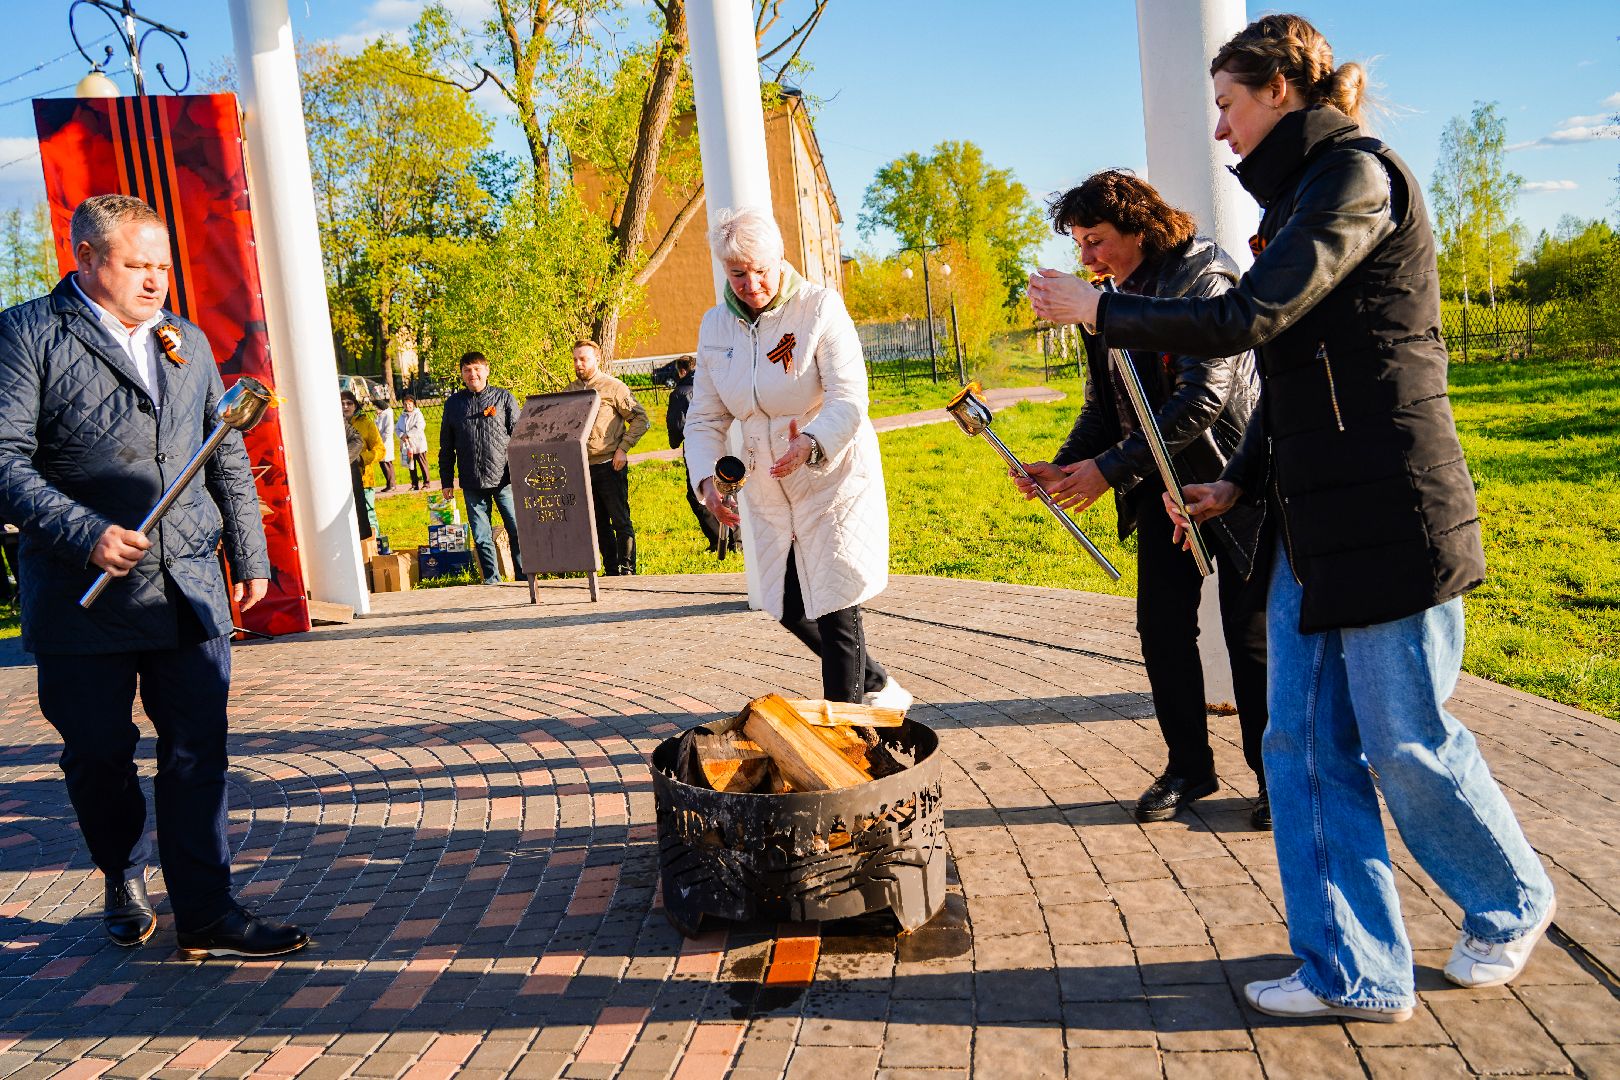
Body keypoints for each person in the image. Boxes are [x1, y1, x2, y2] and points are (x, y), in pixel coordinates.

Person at [1028, 13, 1554, 1023]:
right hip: (1309, 519)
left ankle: (1512, 897)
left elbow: (1245, 322)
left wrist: (1096, 310)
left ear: (1278, 89)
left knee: (1407, 743)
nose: (1219, 131)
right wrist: (1240, 483)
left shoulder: (1356, 178)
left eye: (1227, 104)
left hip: (1392, 511)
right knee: (1299, 749)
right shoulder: (1302, 198)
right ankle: (1356, 972)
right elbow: (1288, 377)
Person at [0, 193, 307, 958]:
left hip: (187, 583)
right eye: (136, 265)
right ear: (88, 260)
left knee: (198, 750)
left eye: (162, 265)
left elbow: (225, 446)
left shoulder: (186, 340)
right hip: (85, 596)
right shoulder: (27, 334)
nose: (155, 280)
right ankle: (121, 868)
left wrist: (250, 548)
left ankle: (206, 912)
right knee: (99, 753)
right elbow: (2, 459)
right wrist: (84, 532)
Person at [1018, 171, 1270, 829]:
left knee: (1251, 638)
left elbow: (1203, 399)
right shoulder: (1103, 297)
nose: (1087, 258)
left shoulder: (1202, 274)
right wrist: (1069, 465)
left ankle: (1279, 778)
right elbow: (1107, 404)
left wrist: (1106, 470)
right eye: (1078, 243)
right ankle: (1190, 767)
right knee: (1161, 628)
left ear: (1138, 226)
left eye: (1096, 240)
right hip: (1159, 484)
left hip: (1230, 477)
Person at [684, 206, 909, 709]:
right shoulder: (715, 326)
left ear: (779, 257)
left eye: (760, 269)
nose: (751, 283)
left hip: (831, 474)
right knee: (783, 601)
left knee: (835, 601)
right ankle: (874, 684)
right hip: (767, 483)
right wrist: (706, 483)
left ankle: (850, 734)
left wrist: (810, 442)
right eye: (737, 273)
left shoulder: (819, 308)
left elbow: (849, 398)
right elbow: (703, 418)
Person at [440, 351, 524, 585]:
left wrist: (521, 472)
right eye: (467, 370)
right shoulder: (454, 404)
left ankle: (524, 576)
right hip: (471, 481)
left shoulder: (504, 398)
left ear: (487, 370)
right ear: (462, 375)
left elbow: (519, 437)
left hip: (504, 479)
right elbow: (446, 447)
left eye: (477, 369)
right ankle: (491, 579)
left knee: (517, 529)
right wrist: (446, 481)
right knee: (481, 536)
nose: (472, 374)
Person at [567, 340, 650, 576]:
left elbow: (641, 420)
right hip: (582, 467)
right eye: (575, 359)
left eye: (583, 359)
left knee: (620, 520)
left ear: (596, 359)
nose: (578, 364)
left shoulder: (613, 388)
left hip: (609, 464)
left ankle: (627, 569)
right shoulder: (570, 392)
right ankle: (611, 570)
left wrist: (623, 448)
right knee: (598, 523)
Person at [662, 354, 723, 553]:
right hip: (721, 441)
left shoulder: (680, 393)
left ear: (681, 371)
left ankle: (717, 539)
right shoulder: (712, 384)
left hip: (695, 446)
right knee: (726, 489)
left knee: (697, 494)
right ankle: (736, 541)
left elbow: (677, 425)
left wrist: (674, 442)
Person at [341, 391, 382, 540]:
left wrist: (361, 459)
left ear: (355, 405)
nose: (346, 406)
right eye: (342, 403)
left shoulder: (366, 423)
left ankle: (376, 547)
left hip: (364, 478)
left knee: (369, 514)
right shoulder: (334, 424)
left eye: (349, 403)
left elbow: (380, 450)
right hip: (343, 480)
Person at [399, 394, 431, 490]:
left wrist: (408, 434)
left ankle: (426, 483)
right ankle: (414, 484)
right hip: (408, 445)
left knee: (422, 463)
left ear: (413, 404)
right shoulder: (402, 416)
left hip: (418, 444)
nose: (408, 406)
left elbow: (419, 427)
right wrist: (402, 435)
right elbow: (397, 428)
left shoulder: (418, 414)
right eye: (406, 404)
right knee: (411, 465)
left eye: (410, 404)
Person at [374, 393, 397, 492]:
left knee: (387, 463)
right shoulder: (380, 416)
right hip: (380, 443)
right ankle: (389, 483)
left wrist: (381, 441)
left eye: (376, 408)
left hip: (385, 443)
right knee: (383, 463)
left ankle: (391, 484)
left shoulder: (387, 415)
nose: (375, 410)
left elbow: (388, 431)